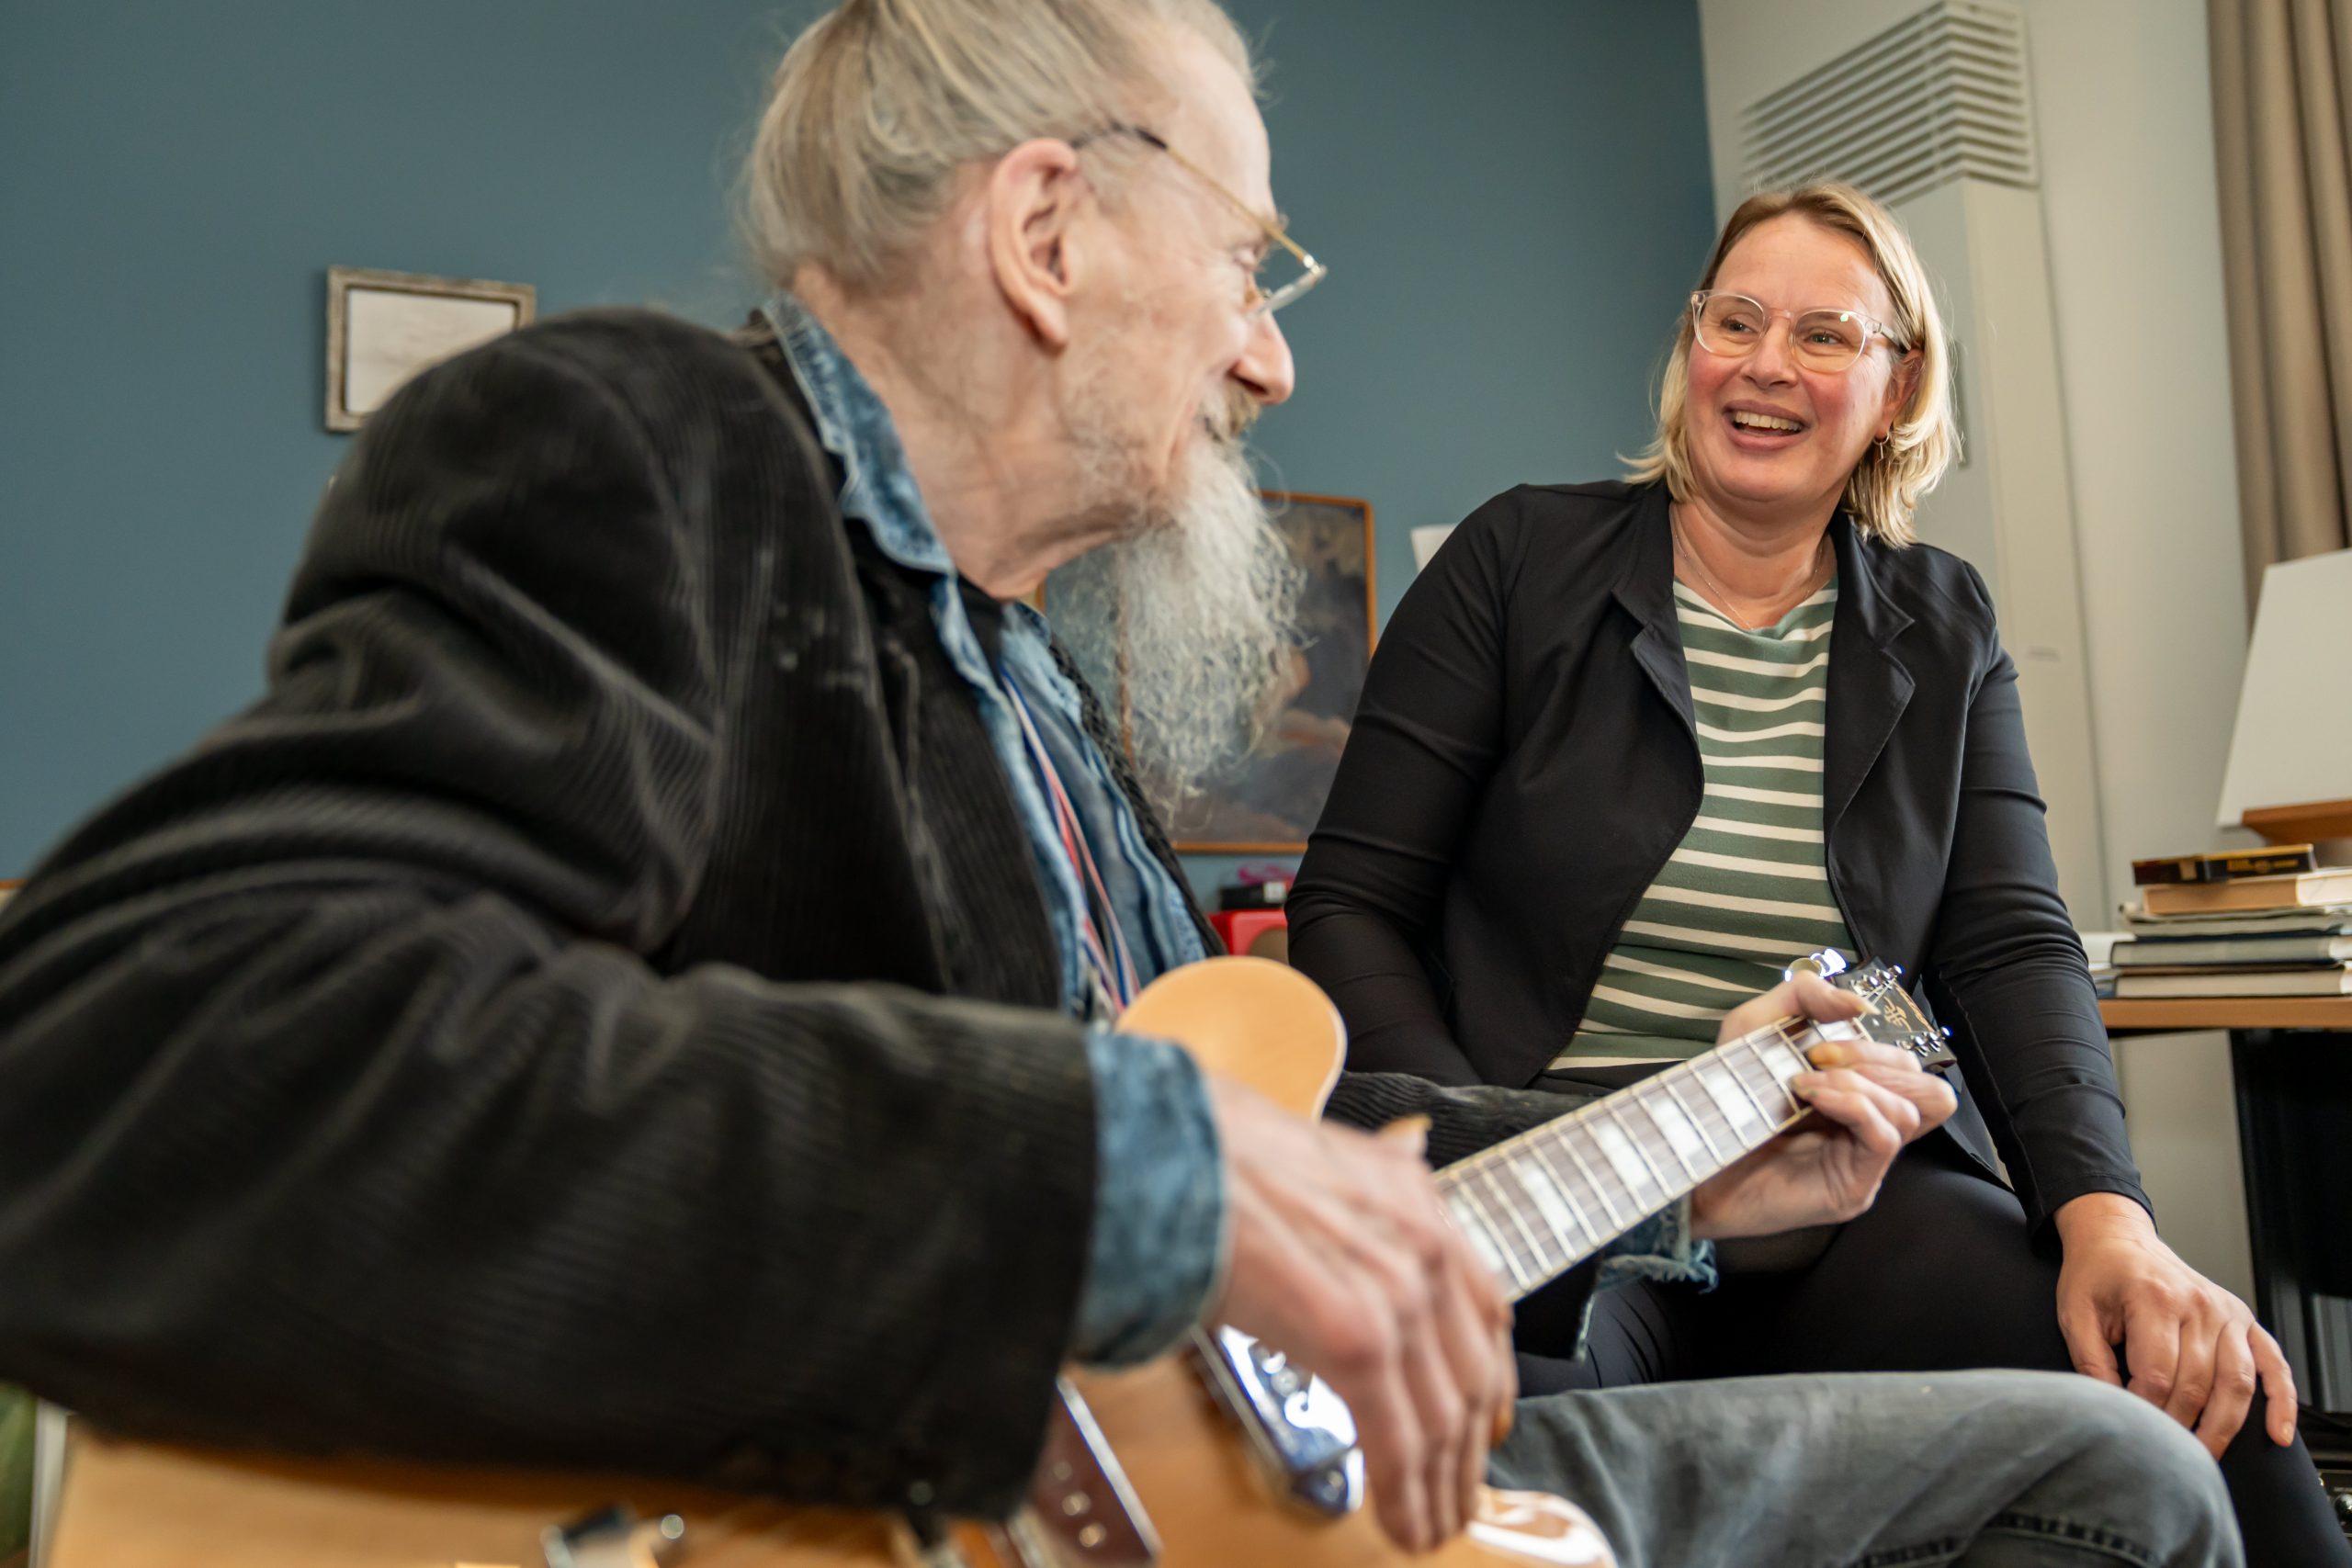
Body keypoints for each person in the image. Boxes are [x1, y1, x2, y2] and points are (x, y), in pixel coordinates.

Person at [0, 6, 2241, 1565]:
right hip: (961, 1485)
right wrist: (1119, 1162)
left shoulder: (1039, 699)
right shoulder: (654, 456)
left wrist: (1675, 1161)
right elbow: (131, 1061)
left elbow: (1284, 1157)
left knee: (2105, 1468)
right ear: (1046, 229)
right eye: (1252, 262)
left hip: (1260, 1462)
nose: (1270, 350)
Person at [1287, 178, 2346, 1562]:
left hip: (1854, 1194)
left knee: (2209, 1412)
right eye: (1738, 320)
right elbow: (1351, 901)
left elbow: (2015, 947)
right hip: (1569, 1192)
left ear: (1899, 386)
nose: (1769, 364)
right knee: (1494, 1505)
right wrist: (1495, 1157)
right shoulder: (1516, 559)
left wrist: (2113, 1225)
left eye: (1828, 335)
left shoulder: (1943, 621)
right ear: (1692, 346)